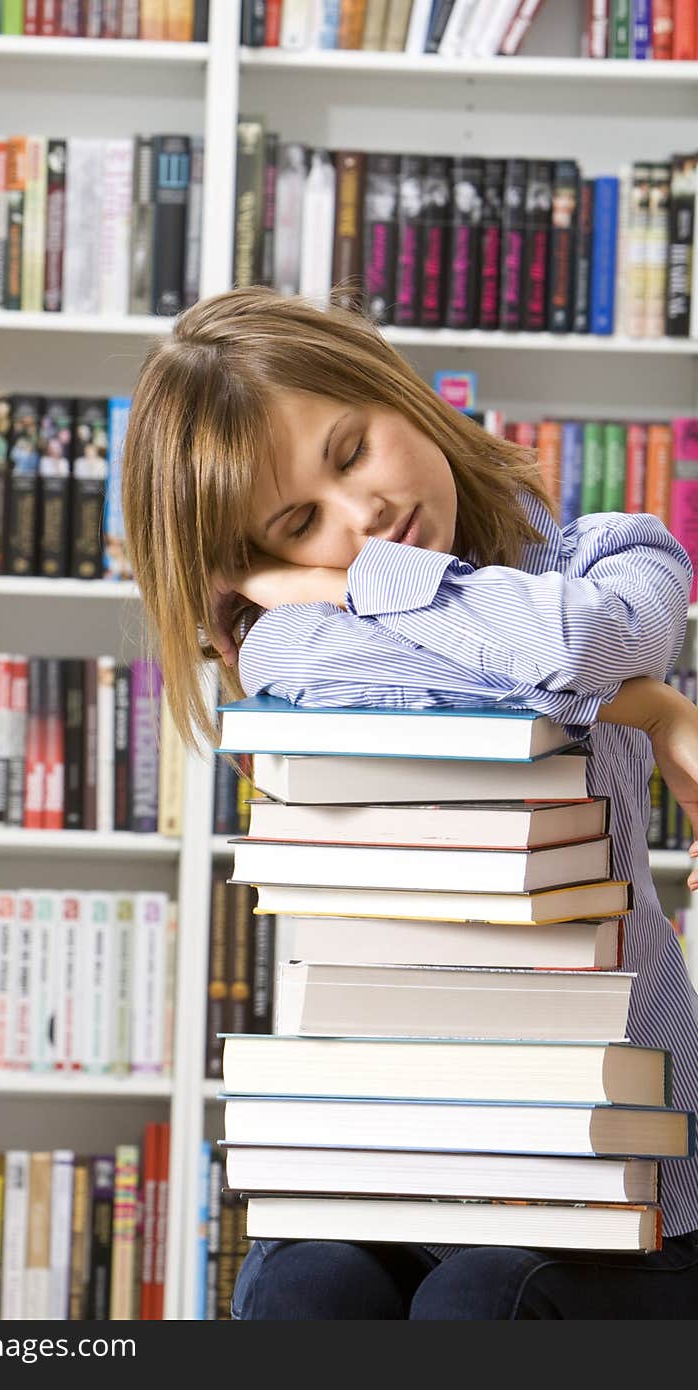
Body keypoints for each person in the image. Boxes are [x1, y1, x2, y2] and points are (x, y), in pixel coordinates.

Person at [121, 285, 698, 1319]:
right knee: (304, 1287)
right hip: (394, 1158)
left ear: (400, 393)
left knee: (485, 1299)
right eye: (300, 524)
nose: (362, 518)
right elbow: (579, 665)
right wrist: (654, 706)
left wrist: (349, 578)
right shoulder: (289, 638)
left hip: (624, 1174)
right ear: (251, 572)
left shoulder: (616, 555)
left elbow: (579, 641)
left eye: (350, 452)